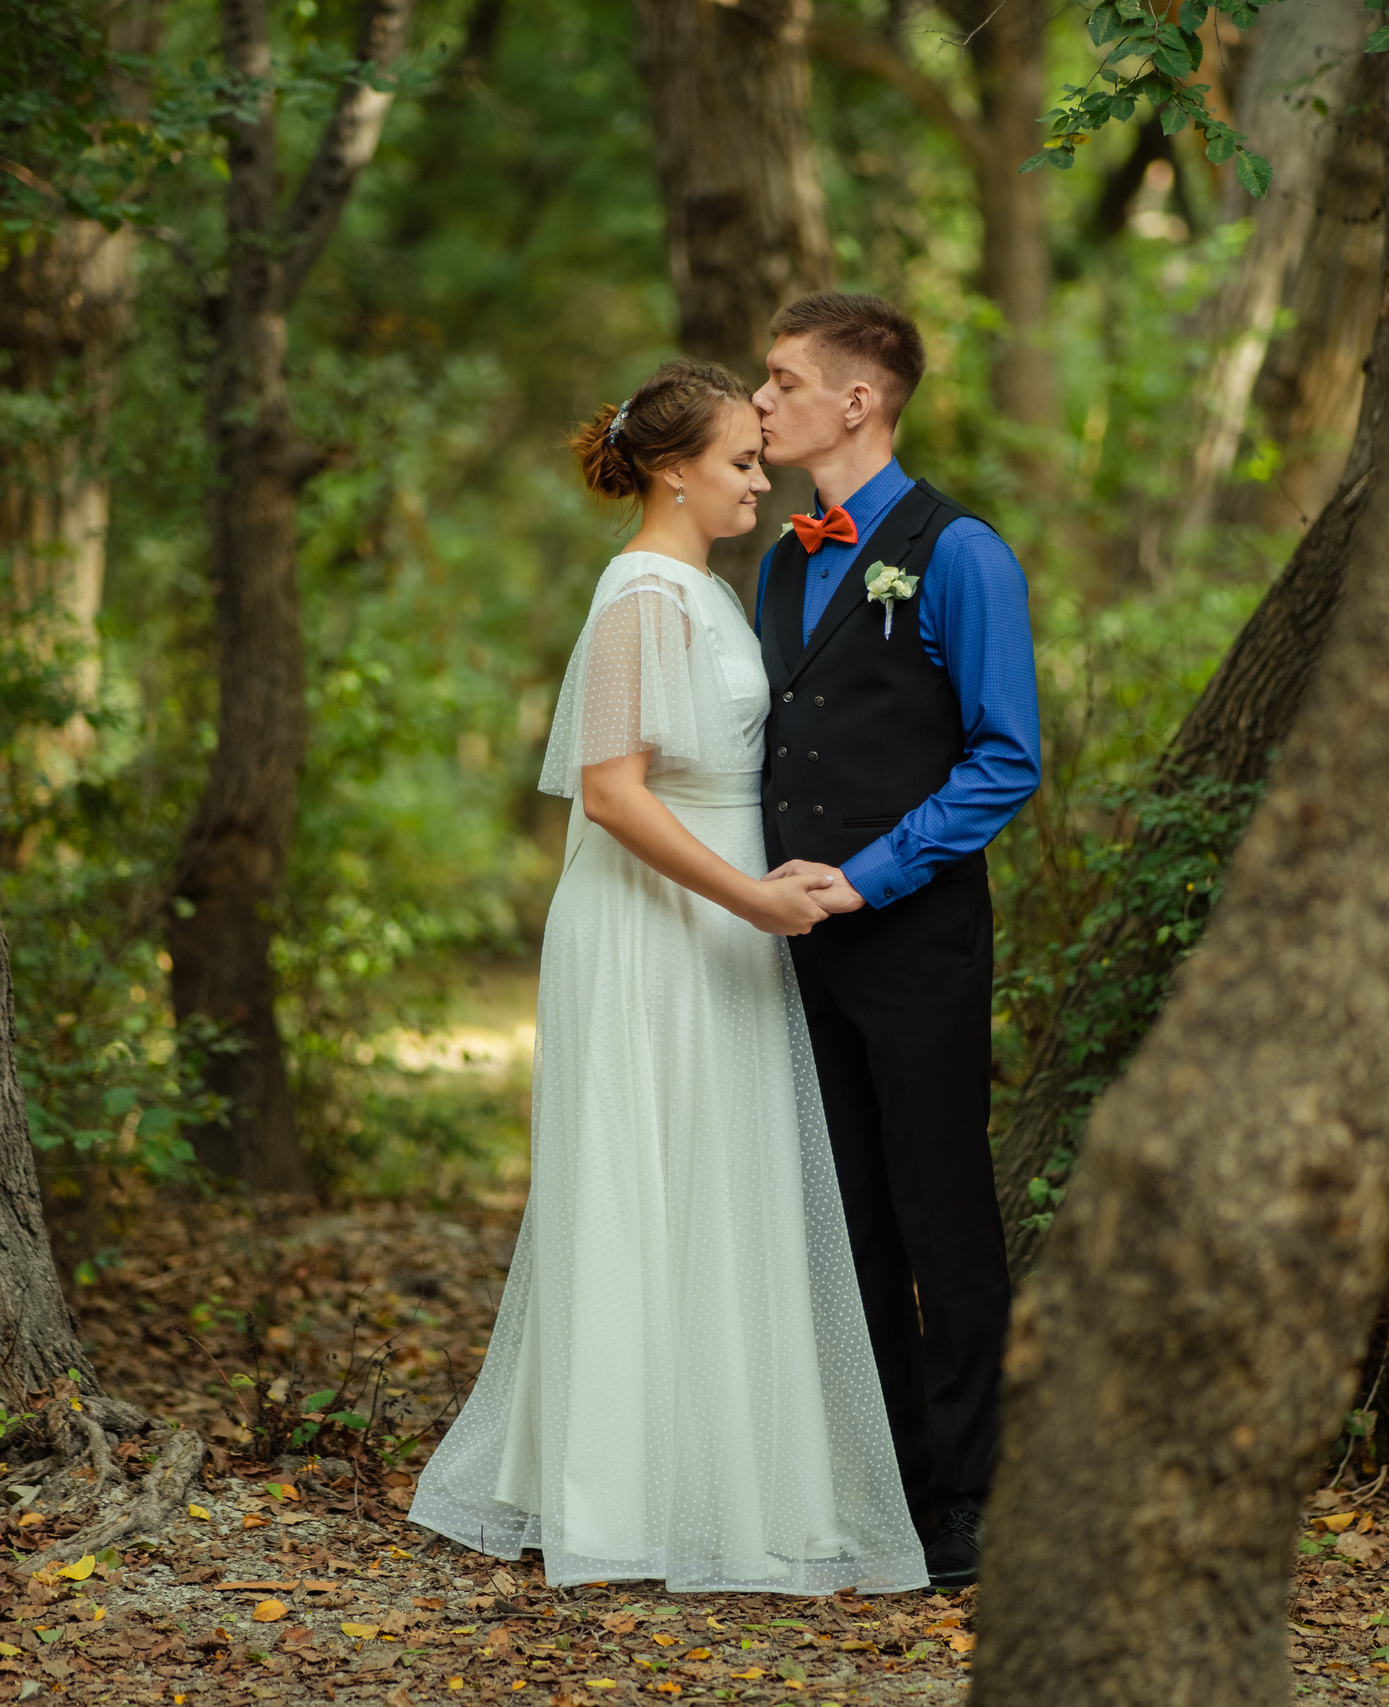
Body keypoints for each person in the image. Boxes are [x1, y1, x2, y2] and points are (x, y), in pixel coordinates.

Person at [409, 358, 927, 1596]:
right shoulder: (641, 592)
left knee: (719, 1177)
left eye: (760, 459)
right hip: (657, 923)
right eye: (741, 462)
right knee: (651, 1172)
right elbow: (610, 789)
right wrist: (749, 894)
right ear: (671, 470)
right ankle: (623, 1490)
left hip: (722, 923)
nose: (761, 478)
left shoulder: (703, 588)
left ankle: (720, 1468)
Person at [752, 293, 1043, 1590]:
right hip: (791, 948)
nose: (760, 404)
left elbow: (1006, 758)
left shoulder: (962, 550)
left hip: (915, 941)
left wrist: (867, 877)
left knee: (942, 1217)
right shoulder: (781, 556)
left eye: (781, 382)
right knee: (844, 1217)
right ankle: (884, 1485)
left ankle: (968, 1497)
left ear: (856, 400)